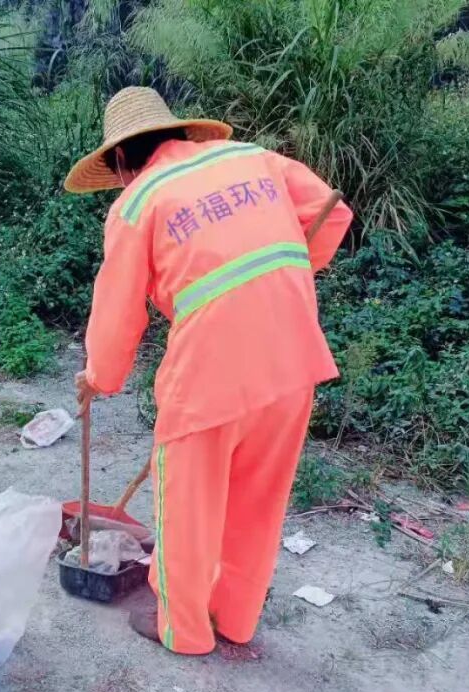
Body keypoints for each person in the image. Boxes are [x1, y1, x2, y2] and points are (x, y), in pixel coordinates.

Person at [65, 86, 352, 655]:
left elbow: (118, 311)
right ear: (178, 132)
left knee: (188, 505)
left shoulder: (138, 202)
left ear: (120, 159)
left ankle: (185, 631)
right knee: (257, 502)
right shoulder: (253, 158)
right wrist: (281, 278)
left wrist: (98, 378)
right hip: (293, 356)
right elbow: (333, 213)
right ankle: (235, 620)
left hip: (208, 374)